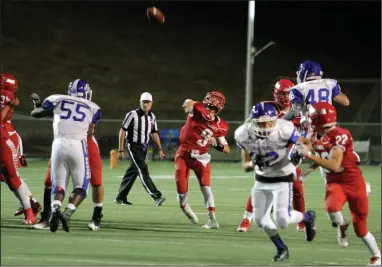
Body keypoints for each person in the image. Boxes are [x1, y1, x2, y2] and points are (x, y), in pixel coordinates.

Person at [298, 102, 381, 265]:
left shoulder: (340, 135)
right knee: (332, 209)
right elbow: (317, 148)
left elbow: (335, 165)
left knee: (360, 228)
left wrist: (309, 155)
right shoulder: (315, 135)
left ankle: (376, 255)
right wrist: (295, 142)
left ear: (316, 118)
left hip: (353, 182)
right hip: (335, 182)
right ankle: (342, 225)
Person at [234, 101, 316, 262]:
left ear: (275, 120)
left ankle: (307, 217)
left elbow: (305, 144)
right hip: (261, 180)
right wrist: (253, 163)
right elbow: (245, 166)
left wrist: (303, 151)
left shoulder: (284, 128)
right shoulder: (244, 133)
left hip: (282, 178)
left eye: (269, 121)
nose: (266, 125)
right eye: (262, 122)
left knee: (283, 220)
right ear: (254, 122)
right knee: (260, 219)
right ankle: (281, 248)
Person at [30, 84, 104, 231]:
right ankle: (47, 218)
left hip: (77, 143)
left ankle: (96, 217)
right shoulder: (92, 107)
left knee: (96, 181)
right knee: (49, 182)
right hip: (77, 144)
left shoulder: (57, 99)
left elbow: (38, 113)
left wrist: (38, 107)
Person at [237, 79, 306, 233]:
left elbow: (305, 131)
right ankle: (247, 218)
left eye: (288, 93)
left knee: (297, 188)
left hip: (289, 153)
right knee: (260, 185)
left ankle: (302, 220)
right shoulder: (266, 108)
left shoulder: (301, 109)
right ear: (275, 95)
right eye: (282, 93)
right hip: (267, 151)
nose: (285, 97)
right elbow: (249, 125)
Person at [175, 91, 230, 229]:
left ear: (218, 109)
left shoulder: (220, 125)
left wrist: (216, 144)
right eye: (209, 107)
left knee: (206, 187)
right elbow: (189, 101)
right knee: (181, 191)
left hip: (202, 157)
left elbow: (227, 149)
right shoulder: (198, 110)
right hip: (184, 154)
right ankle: (184, 205)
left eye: (213, 109)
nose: (210, 111)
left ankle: (212, 220)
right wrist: (187, 105)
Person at [0, 73, 42, 218]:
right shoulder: (8, 95)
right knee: (8, 176)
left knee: (12, 176)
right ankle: (31, 204)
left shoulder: (5, 95)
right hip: (10, 138)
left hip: (10, 139)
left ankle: (31, 205)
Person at [115, 92, 166, 206]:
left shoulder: (152, 116)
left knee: (132, 172)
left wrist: (160, 149)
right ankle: (156, 196)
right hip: (133, 146)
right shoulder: (132, 115)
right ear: (140, 102)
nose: (145, 104)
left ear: (151, 104)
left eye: (148, 102)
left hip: (143, 147)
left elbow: (154, 133)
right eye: (143, 102)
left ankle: (121, 197)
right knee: (143, 169)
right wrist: (121, 149)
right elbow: (122, 130)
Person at [283, 60, 350, 137]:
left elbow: (295, 111)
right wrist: (334, 92)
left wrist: (280, 121)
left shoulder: (298, 88)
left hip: (309, 126)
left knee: (304, 147)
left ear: (304, 73)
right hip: (328, 125)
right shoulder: (329, 84)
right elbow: (346, 102)